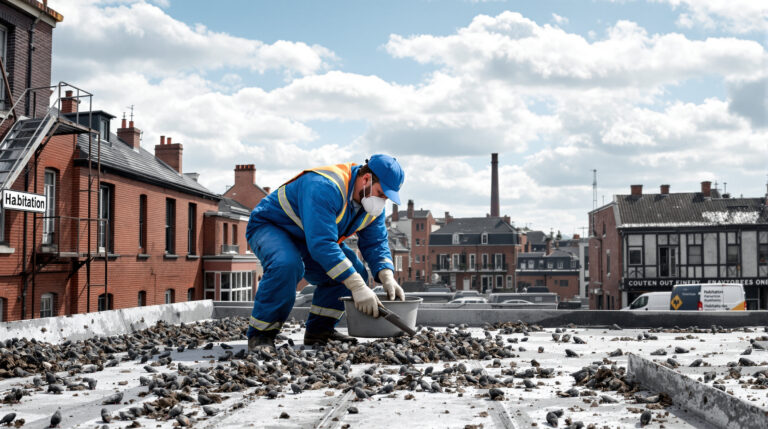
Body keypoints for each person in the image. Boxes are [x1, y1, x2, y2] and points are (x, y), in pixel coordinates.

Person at [245, 154, 406, 349]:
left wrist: (387, 275)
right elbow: (322, 244)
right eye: (381, 193)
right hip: (272, 226)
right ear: (366, 179)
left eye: (387, 197)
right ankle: (261, 334)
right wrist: (356, 285)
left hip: (309, 237)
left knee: (355, 270)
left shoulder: (371, 205)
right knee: (286, 265)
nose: (382, 201)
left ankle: (320, 331)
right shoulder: (325, 186)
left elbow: (375, 243)